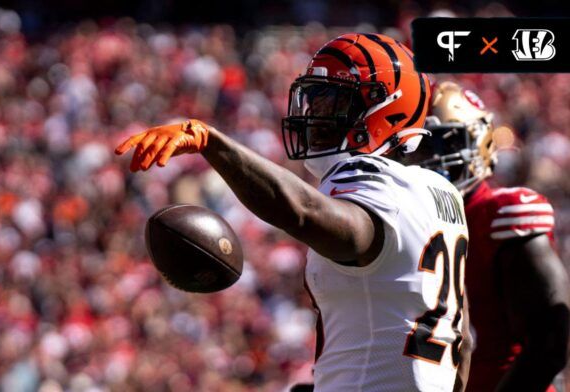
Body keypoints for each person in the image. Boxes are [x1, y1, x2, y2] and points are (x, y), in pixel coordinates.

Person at [115, 33, 471, 391]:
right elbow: (463, 341)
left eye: (332, 102)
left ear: (386, 107)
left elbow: (309, 213)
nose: (314, 117)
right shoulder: (440, 193)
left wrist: (214, 144)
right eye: (312, 101)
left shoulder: (372, 182)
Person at [420, 81, 570, 392]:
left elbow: (550, 343)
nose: (430, 160)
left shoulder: (501, 215)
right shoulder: (405, 220)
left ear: (479, 144)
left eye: (444, 145)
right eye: (419, 148)